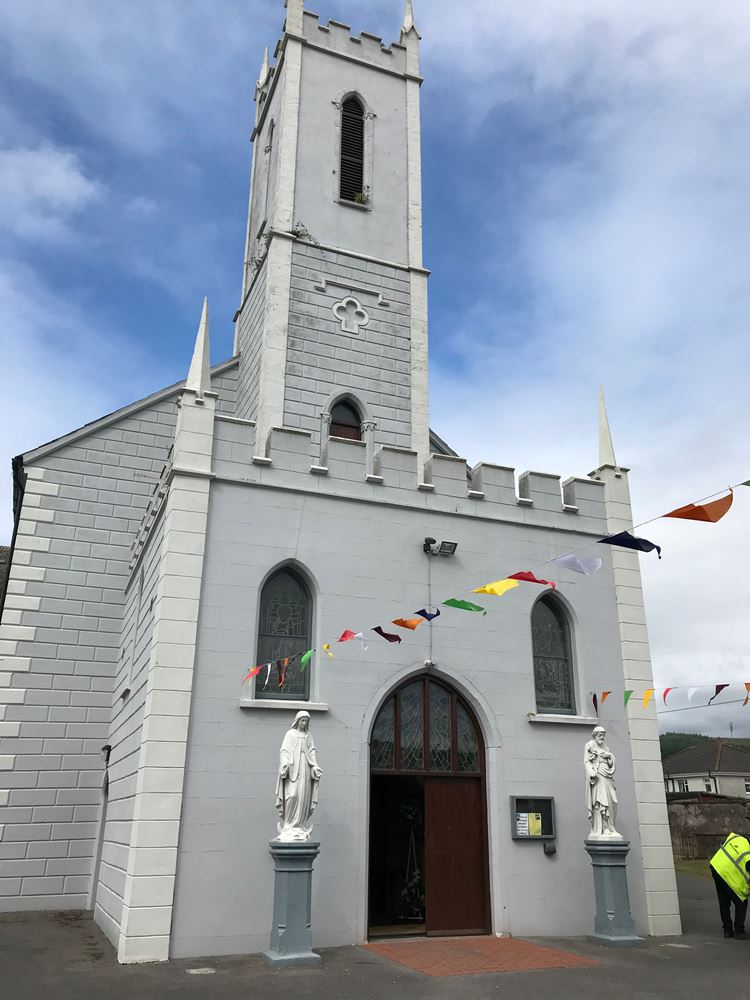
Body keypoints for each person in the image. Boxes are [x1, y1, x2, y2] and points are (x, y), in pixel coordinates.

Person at [274, 710, 323, 841]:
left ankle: (300, 826)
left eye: (306, 721)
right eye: (302, 720)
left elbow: (312, 751)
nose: (304, 723)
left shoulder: (308, 735)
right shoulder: (290, 734)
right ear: (297, 721)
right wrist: (284, 762)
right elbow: (284, 750)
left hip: (305, 768)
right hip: (293, 768)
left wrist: (315, 765)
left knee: (303, 796)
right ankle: (289, 825)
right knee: (292, 795)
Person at [709, 832, 750, 939]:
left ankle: (727, 930)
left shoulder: (736, 838)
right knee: (741, 901)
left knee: (724, 901)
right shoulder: (748, 854)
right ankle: (739, 931)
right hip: (727, 874)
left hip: (716, 867)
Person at [583, 726, 622, 839]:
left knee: (612, 802)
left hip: (608, 777)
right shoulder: (589, 745)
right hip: (598, 777)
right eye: (600, 735)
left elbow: (611, 762)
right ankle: (602, 828)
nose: (602, 738)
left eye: (603, 736)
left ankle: (610, 827)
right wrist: (591, 772)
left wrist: (610, 756)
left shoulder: (606, 748)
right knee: (600, 802)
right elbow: (586, 762)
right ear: (594, 735)